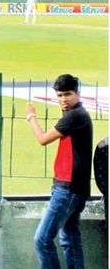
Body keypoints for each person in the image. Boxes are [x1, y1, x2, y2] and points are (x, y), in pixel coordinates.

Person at [26, 74, 93, 269]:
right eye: (60, 95)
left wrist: (31, 116)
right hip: (75, 189)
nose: (63, 99)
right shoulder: (76, 114)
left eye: (68, 94)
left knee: (42, 239)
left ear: (78, 94)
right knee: (70, 241)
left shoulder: (75, 115)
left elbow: (43, 139)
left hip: (68, 189)